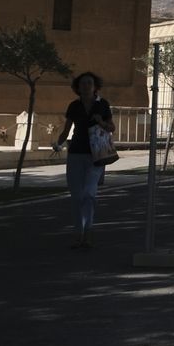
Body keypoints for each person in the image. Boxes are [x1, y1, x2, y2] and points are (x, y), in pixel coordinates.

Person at [50, 71, 112, 250]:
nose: (85, 86)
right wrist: (58, 144)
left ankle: (88, 230)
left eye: (89, 83)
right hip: (76, 152)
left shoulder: (103, 105)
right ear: (77, 87)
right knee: (76, 196)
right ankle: (78, 233)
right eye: (82, 84)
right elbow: (66, 129)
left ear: (95, 87)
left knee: (89, 193)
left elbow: (111, 127)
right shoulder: (74, 106)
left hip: (96, 155)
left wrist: (101, 122)